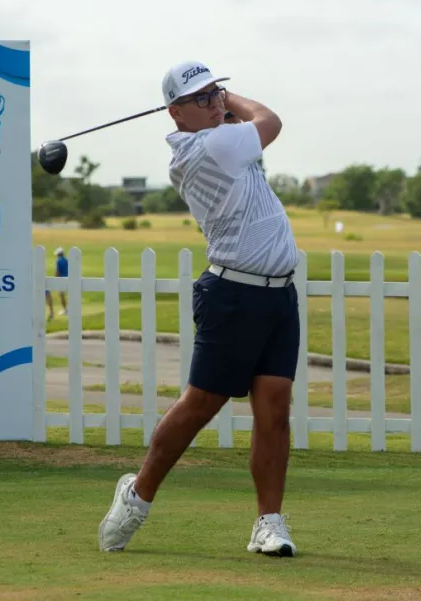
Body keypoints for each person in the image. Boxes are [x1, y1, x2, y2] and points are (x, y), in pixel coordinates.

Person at [98, 61, 300, 557]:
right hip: (232, 294)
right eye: (203, 98)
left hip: (278, 294)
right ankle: (137, 495)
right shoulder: (207, 148)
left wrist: (219, 107)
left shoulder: (220, 138)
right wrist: (234, 100)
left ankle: (269, 523)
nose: (214, 103)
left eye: (216, 93)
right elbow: (271, 120)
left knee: (274, 410)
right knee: (200, 406)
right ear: (176, 113)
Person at [45, 247, 68, 319]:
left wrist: (54, 279)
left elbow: (58, 271)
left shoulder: (59, 261)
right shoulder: (66, 260)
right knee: (62, 294)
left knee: (61, 294)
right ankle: (65, 309)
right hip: (67, 278)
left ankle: (65, 309)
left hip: (60, 279)